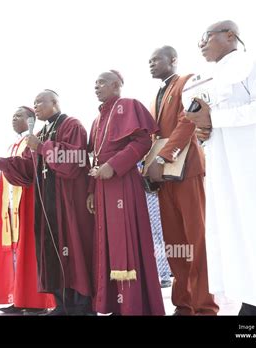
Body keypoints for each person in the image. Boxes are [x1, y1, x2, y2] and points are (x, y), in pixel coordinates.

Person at [186, 20, 256, 315]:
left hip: (253, 165)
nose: (201, 44)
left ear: (230, 35)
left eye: (206, 37)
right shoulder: (207, 77)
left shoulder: (254, 64)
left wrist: (214, 121)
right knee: (232, 234)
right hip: (222, 165)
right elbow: (209, 120)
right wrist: (204, 132)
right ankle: (251, 303)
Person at [0, 91, 94, 315]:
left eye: (40, 102)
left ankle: (81, 305)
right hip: (46, 207)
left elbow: (75, 161)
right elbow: (27, 170)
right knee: (50, 253)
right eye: (34, 102)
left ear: (55, 103)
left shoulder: (71, 125)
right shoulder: (40, 133)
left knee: (73, 251)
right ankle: (62, 304)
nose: (35, 106)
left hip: (69, 204)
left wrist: (43, 147)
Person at [146, 46, 218, 315]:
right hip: (164, 178)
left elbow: (187, 120)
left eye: (156, 59)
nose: (151, 64)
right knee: (175, 242)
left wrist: (163, 157)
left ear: (173, 60)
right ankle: (184, 302)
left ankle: (205, 305)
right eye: (149, 61)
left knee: (196, 240)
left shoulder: (188, 81)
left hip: (187, 170)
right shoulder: (155, 95)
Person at [86, 70, 165, 315]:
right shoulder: (97, 119)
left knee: (127, 242)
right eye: (95, 84)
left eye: (101, 83)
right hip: (101, 185)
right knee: (107, 244)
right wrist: (91, 191)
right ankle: (115, 304)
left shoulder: (128, 105)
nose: (96, 87)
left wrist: (114, 165)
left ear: (116, 85)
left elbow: (143, 142)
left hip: (122, 182)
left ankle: (133, 305)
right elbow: (94, 158)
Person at [0, 106, 55, 314]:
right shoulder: (13, 145)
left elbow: (26, 170)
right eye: (12, 116)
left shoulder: (34, 141)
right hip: (13, 206)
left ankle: (38, 301)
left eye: (19, 116)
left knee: (31, 252)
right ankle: (20, 298)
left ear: (31, 120)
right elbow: (10, 174)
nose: (14, 119)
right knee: (17, 253)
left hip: (30, 201)